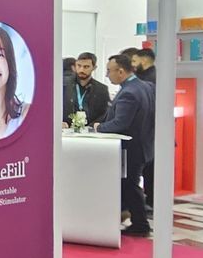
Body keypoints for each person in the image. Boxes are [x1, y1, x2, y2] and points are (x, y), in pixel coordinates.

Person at [95, 53, 156, 237]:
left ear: (121, 71)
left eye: (109, 71)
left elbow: (120, 123)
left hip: (131, 149)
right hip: (144, 145)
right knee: (130, 185)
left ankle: (140, 224)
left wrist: (99, 127)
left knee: (130, 186)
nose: (107, 75)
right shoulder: (145, 86)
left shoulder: (129, 92)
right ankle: (133, 219)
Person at [131, 47, 157, 206]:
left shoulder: (149, 81)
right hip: (149, 133)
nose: (133, 65)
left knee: (149, 171)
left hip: (148, 133)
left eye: (135, 61)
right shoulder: (145, 78)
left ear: (144, 60)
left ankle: (150, 203)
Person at [61, 52, 110, 127]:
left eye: (86, 67)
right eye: (79, 66)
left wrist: (92, 126)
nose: (81, 70)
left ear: (94, 67)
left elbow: (104, 114)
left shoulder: (102, 89)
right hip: (66, 129)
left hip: (91, 130)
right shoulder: (63, 85)